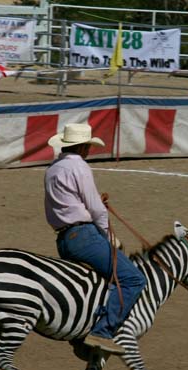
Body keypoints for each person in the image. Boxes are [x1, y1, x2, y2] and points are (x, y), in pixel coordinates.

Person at [45, 123, 146, 355]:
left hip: (63, 239)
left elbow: (69, 201)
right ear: (81, 147)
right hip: (84, 237)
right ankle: (102, 332)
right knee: (133, 279)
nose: (89, 150)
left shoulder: (53, 168)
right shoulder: (79, 167)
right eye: (88, 146)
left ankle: (81, 331)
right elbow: (97, 210)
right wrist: (110, 237)